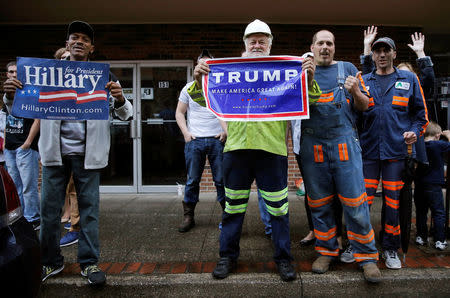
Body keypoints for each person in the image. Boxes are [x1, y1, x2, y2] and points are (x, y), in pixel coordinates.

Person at [190, 19, 321, 282]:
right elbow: (202, 97)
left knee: (278, 210)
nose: (257, 45)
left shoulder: (286, 71)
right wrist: (199, 79)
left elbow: (312, 99)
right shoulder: (231, 72)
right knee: (232, 208)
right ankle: (227, 256)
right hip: (236, 149)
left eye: (262, 41)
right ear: (245, 45)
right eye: (253, 41)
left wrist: (309, 78)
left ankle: (284, 259)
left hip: (272, 151)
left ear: (270, 46)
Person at [30, 20, 132, 285]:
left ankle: (89, 264)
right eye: (74, 37)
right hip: (55, 154)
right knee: (49, 211)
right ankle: (50, 262)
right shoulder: (49, 76)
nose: (79, 41)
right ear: (67, 44)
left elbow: (126, 114)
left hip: (88, 156)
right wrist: (9, 98)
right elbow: (25, 104)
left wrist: (120, 99)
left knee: (89, 211)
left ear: (91, 48)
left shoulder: (103, 77)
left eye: (85, 39)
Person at [301, 30, 381, 283]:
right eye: (321, 43)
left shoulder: (348, 69)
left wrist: (357, 91)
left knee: (355, 203)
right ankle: (326, 251)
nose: (325, 47)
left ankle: (366, 257)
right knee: (319, 203)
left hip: (344, 142)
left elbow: (365, 106)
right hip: (312, 144)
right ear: (312, 47)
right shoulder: (300, 71)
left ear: (334, 47)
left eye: (330, 43)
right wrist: (306, 79)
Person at [359, 36, 429, 269]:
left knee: (392, 203)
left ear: (394, 54)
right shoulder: (363, 80)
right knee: (362, 202)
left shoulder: (409, 79)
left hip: (395, 153)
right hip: (367, 152)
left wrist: (414, 132)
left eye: (386, 50)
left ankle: (390, 248)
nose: (381, 55)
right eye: (377, 50)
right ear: (372, 55)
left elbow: (421, 116)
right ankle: (358, 244)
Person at [175, 49, 227, 233]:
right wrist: (186, 134)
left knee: (221, 181)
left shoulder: (220, 87)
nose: (205, 67)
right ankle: (189, 216)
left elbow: (228, 111)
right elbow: (179, 113)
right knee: (192, 181)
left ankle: (226, 217)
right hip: (195, 141)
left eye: (208, 64)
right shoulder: (188, 88)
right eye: (202, 64)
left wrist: (225, 131)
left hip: (216, 141)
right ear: (196, 66)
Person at [2, 61, 41, 230]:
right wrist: (5, 143)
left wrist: (27, 143)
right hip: (10, 146)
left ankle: (33, 218)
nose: (14, 75)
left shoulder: (30, 93)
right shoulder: (8, 95)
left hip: (25, 146)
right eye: (11, 72)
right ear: (7, 74)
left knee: (28, 186)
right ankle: (19, 218)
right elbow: (6, 120)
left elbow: (37, 119)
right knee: (15, 185)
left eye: (17, 72)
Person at [414, 122, 449, 250]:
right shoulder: (438, 144)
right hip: (434, 184)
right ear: (437, 135)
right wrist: (449, 136)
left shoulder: (420, 144)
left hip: (419, 183)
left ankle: (421, 236)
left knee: (421, 211)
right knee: (438, 212)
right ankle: (439, 240)